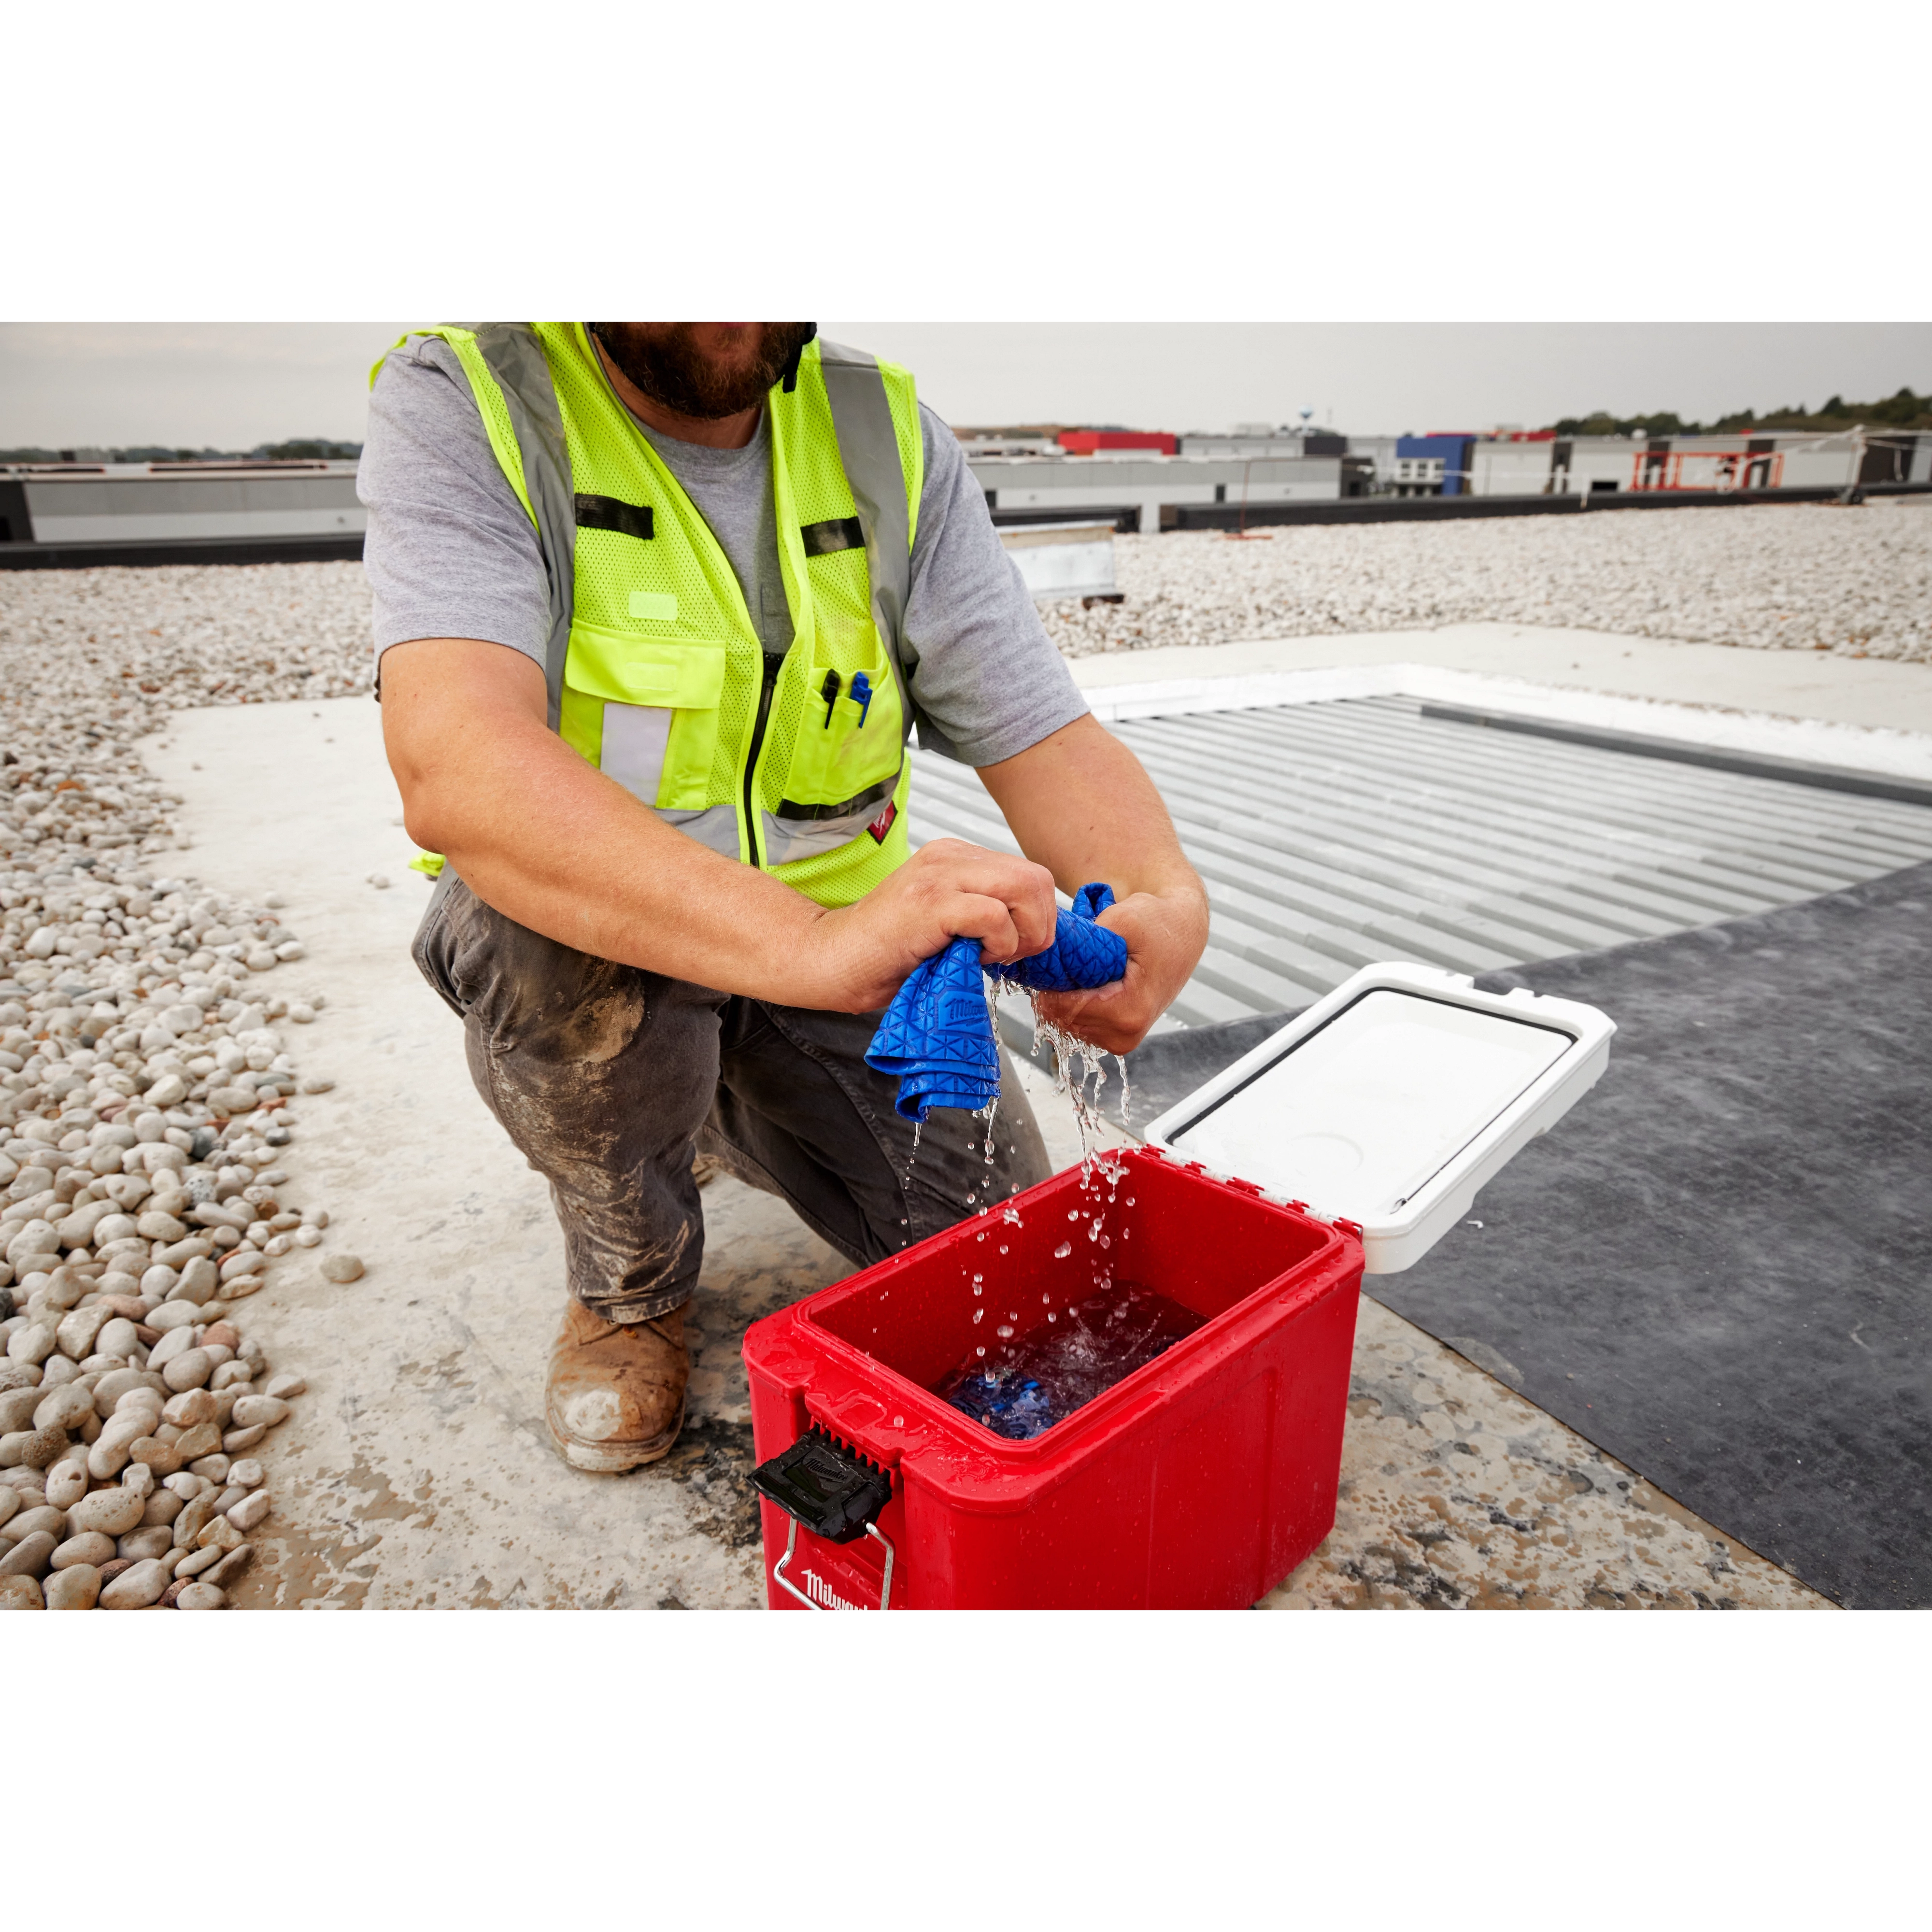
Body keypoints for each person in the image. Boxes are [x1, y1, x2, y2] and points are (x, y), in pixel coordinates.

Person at [360, 321, 1208, 1472]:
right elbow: (455, 762)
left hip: (839, 955)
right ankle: (630, 1283)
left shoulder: (881, 433)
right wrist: (810, 942)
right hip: (618, 938)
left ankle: (723, 1101)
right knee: (539, 946)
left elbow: (1036, 724)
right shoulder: (477, 401)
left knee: (992, 1264)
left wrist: (1161, 892)